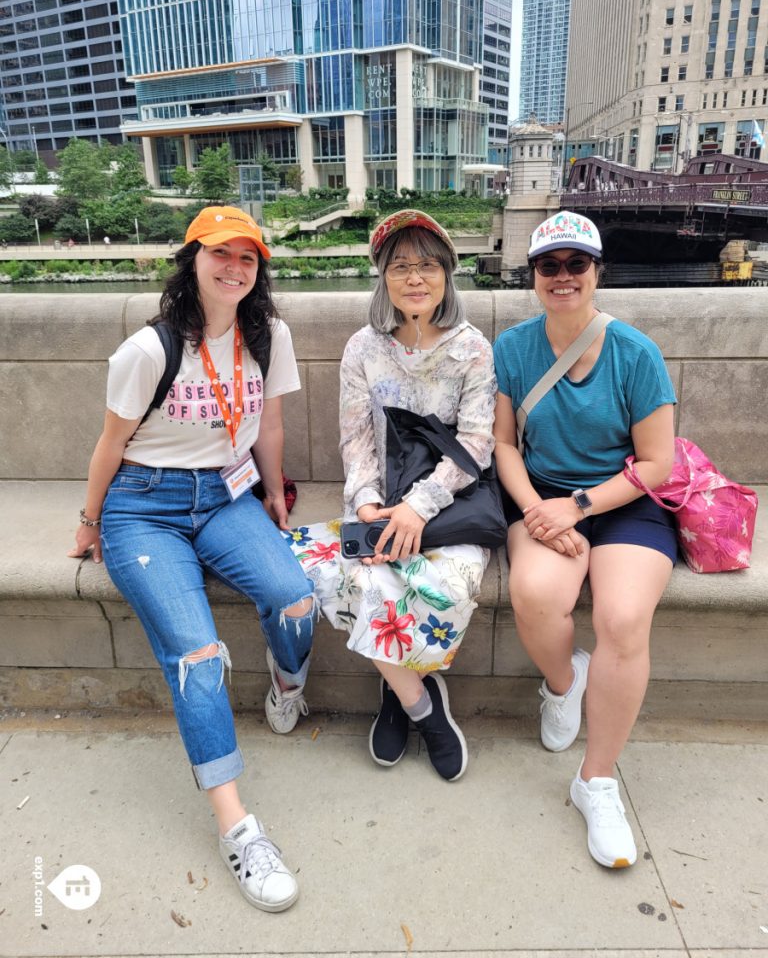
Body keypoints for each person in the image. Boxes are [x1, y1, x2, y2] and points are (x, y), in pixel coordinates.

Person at [68, 205, 316, 912]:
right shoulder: (148, 351)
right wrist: (91, 523)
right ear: (192, 260)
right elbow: (110, 446)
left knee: (296, 596)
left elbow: (267, 421)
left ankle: (286, 684)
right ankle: (238, 827)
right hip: (144, 505)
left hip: (228, 496)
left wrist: (273, 493)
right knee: (197, 653)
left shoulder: (268, 336)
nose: (234, 268)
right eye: (220, 254)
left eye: (248, 258)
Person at [283, 210, 496, 782]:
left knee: (442, 584)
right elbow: (354, 438)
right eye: (400, 266)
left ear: (448, 273)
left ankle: (394, 694)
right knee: (339, 574)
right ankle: (421, 706)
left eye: (427, 265)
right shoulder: (363, 348)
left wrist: (417, 508)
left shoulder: (472, 349)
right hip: (377, 500)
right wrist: (370, 505)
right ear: (383, 276)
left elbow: (476, 443)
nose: (415, 277)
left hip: (447, 505)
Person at [493, 211, 677, 869]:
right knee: (535, 593)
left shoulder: (636, 353)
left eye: (577, 264)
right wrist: (539, 512)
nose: (563, 277)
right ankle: (561, 682)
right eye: (550, 266)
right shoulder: (513, 348)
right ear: (534, 276)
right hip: (542, 496)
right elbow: (503, 445)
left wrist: (576, 508)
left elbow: (658, 463)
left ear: (598, 271)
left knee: (623, 618)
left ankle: (595, 782)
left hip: (624, 502)